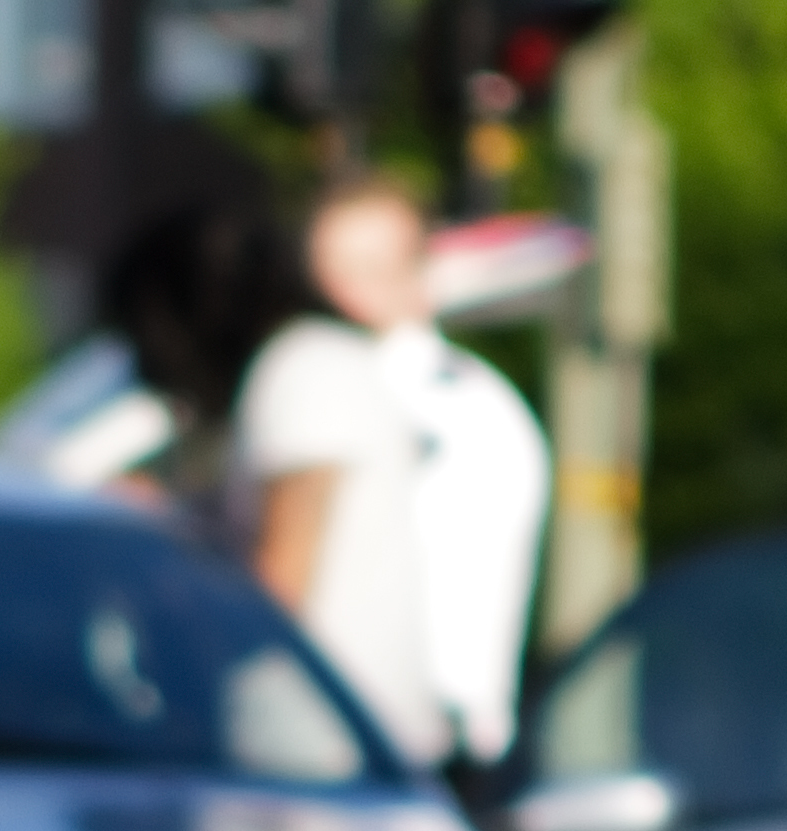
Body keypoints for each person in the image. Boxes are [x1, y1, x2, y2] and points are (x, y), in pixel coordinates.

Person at [231, 175, 549, 780]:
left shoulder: (316, 371)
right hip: (454, 739)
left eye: (379, 264)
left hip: (334, 749)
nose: (353, 288)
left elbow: (281, 579)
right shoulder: (486, 400)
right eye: (343, 268)